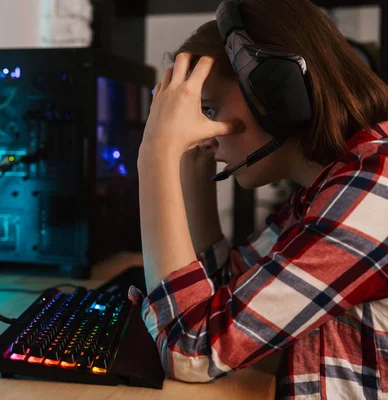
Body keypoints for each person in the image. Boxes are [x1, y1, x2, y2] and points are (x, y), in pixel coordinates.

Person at [134, 0, 388, 398]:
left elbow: (192, 349)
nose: (203, 132)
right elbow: (227, 294)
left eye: (210, 108)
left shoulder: (374, 190)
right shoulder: (323, 189)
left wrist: (155, 156)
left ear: (277, 92)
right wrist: (192, 175)